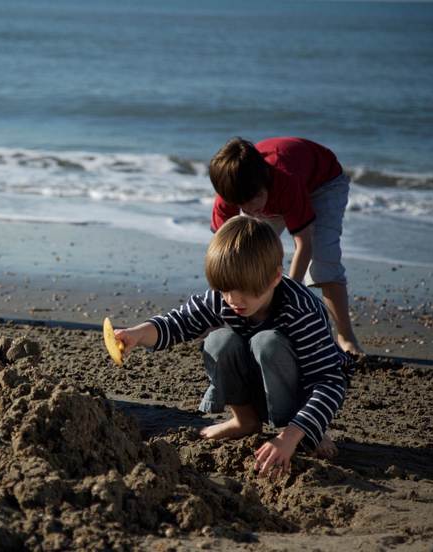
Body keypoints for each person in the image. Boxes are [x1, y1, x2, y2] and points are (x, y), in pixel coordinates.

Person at [113, 216, 352, 478]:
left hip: (297, 394)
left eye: (246, 292)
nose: (234, 301)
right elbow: (177, 323)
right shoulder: (223, 298)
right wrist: (136, 334)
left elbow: (328, 381)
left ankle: (307, 431)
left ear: (274, 278)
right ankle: (244, 420)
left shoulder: (301, 310)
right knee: (218, 341)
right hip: (256, 386)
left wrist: (291, 436)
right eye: (225, 290)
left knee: (267, 343)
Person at [209, 136, 362, 355]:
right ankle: (253, 327)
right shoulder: (233, 191)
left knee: (323, 260)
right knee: (248, 256)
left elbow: (304, 245)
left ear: (264, 185)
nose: (250, 210)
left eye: (253, 200)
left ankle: (346, 336)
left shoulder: (285, 182)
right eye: (241, 205)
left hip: (323, 183)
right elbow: (221, 258)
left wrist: (284, 297)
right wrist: (214, 316)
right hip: (276, 193)